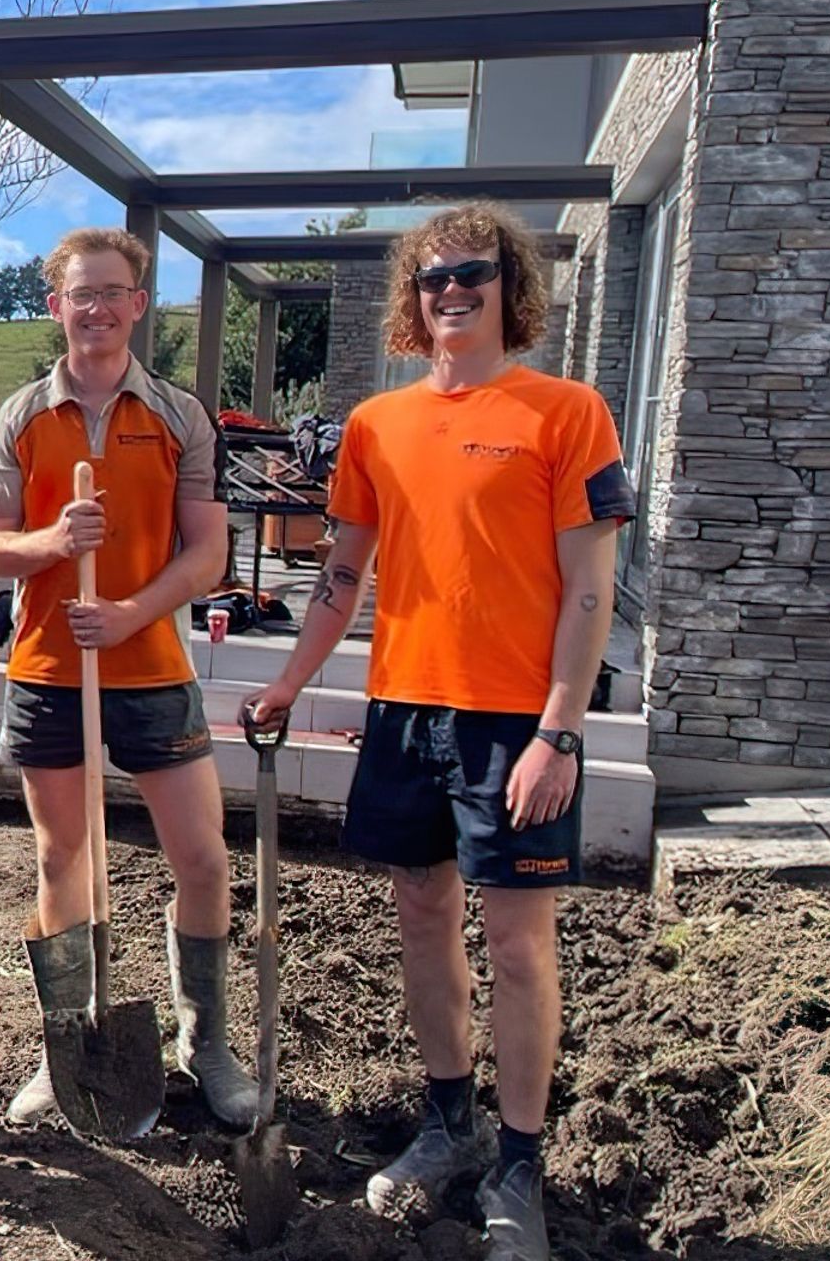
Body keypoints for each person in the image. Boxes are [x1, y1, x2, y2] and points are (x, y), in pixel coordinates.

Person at [247, 202, 633, 1261]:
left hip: (517, 721)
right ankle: (448, 1121)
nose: (451, 290)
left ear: (513, 288)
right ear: (413, 300)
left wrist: (559, 728)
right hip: (407, 710)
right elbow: (339, 573)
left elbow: (591, 588)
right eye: (431, 277)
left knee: (517, 941)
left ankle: (518, 1160)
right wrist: (287, 679)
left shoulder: (568, 412)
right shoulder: (378, 425)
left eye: (473, 272)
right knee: (422, 911)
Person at [0, 227, 258, 1130]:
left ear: (139, 304)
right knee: (67, 859)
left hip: (153, 666)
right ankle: (73, 1042)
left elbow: (208, 552)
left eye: (112, 292)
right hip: (50, 670)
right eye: (77, 293)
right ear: (54, 306)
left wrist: (134, 612)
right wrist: (53, 545)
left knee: (204, 859)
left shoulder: (179, 416)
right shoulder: (22, 416)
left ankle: (203, 1039)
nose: (94, 308)